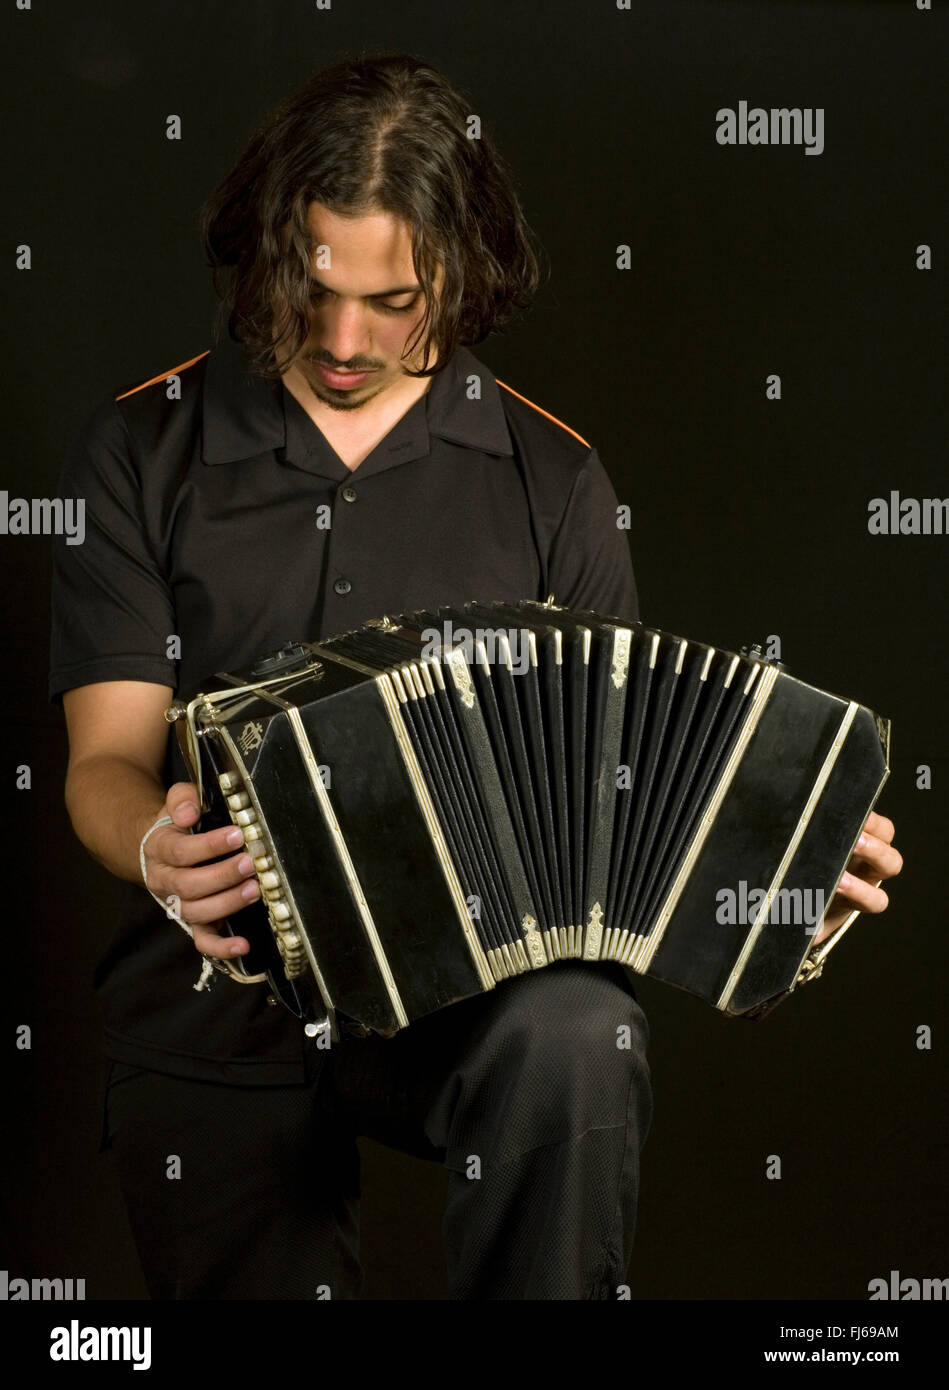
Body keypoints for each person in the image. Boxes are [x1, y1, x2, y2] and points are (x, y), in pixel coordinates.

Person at [48, 52, 902, 1301]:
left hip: (455, 1007)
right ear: (267, 246)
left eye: (393, 300)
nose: (343, 341)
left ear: (462, 269)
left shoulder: (555, 481)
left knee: (578, 1035)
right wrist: (157, 854)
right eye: (311, 285)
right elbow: (106, 763)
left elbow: (625, 810)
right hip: (214, 998)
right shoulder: (141, 446)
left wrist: (772, 898)